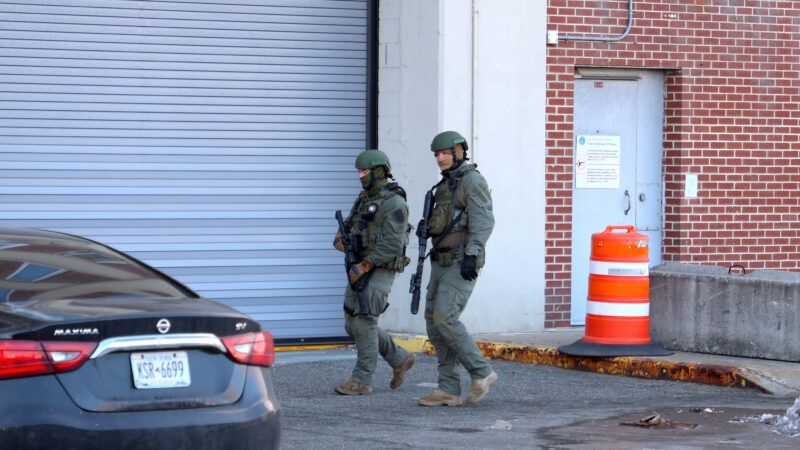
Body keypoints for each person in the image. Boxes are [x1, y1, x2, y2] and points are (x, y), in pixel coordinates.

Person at [416, 131, 497, 407]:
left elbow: (483, 221)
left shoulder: (472, 181)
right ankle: (448, 388)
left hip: (461, 260)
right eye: (437, 154)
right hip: (440, 261)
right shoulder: (443, 185)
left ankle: (482, 372)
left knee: (445, 318)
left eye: (445, 153)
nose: (440, 158)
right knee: (433, 322)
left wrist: (473, 254)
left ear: (459, 151)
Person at [333, 149, 415, 395]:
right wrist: (340, 238)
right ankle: (399, 358)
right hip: (358, 266)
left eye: (365, 171)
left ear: (379, 171)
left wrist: (364, 266)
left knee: (366, 320)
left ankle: (361, 380)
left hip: (379, 268)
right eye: (359, 171)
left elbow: (391, 245)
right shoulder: (364, 199)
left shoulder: (395, 203)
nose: (360, 176)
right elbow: (349, 225)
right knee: (352, 323)